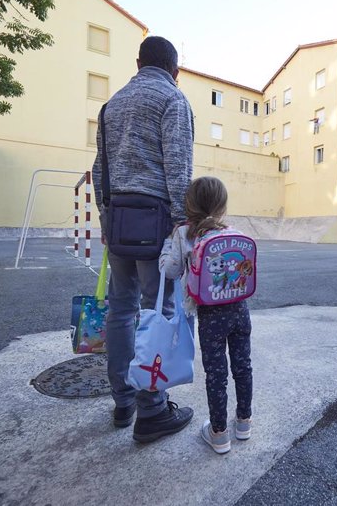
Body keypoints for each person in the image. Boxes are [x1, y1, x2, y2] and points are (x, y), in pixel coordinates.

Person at [91, 36, 194, 443]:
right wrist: (183, 224)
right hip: (156, 223)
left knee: (121, 309)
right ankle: (153, 410)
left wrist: (104, 217)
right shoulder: (173, 99)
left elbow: (100, 168)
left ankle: (123, 399)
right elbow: (178, 167)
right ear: (175, 71)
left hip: (118, 219)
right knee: (160, 309)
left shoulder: (111, 105)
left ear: (137, 63)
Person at [159, 176, 253, 454]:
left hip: (211, 316)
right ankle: (244, 423)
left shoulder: (185, 233)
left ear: (189, 203)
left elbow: (170, 271)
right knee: (243, 367)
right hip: (239, 309)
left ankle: (219, 433)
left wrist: (166, 246)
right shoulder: (231, 231)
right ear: (222, 206)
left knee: (216, 374)